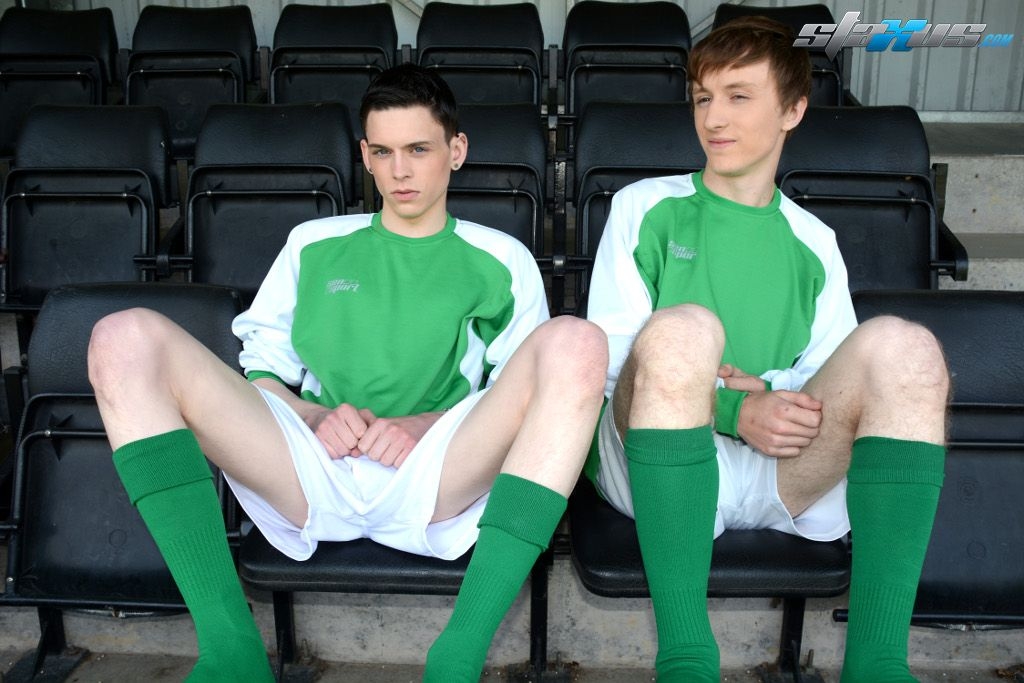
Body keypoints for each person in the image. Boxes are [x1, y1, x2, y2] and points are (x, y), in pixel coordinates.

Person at [88, 63, 608, 682]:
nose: (400, 170)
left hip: (435, 471)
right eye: (383, 152)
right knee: (122, 337)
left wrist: (423, 424)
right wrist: (311, 416)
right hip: (310, 465)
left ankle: (458, 657)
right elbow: (262, 369)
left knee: (576, 343)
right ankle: (230, 649)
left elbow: (518, 402)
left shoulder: (501, 258)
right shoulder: (313, 243)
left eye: (419, 149)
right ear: (364, 156)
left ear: (456, 150)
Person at [585, 16, 948, 683]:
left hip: (778, 469)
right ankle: (686, 660)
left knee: (910, 348)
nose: (713, 118)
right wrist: (732, 408)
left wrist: (773, 398)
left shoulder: (815, 241)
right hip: (653, 461)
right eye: (703, 97)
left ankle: (877, 664)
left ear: (793, 110)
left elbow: (827, 382)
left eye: (738, 96)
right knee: (682, 329)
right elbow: (610, 366)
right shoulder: (645, 207)